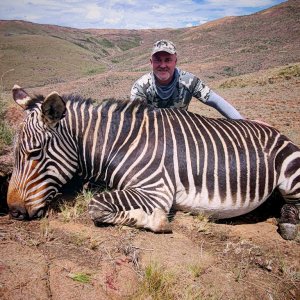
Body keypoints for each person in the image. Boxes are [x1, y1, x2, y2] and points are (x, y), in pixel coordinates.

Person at [130, 39, 244, 119]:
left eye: (168, 60)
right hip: (153, 134)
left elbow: (215, 100)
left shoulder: (188, 80)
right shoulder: (141, 87)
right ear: (151, 62)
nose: (163, 65)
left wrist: (243, 123)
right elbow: (137, 119)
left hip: (181, 132)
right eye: (158, 60)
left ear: (175, 61)